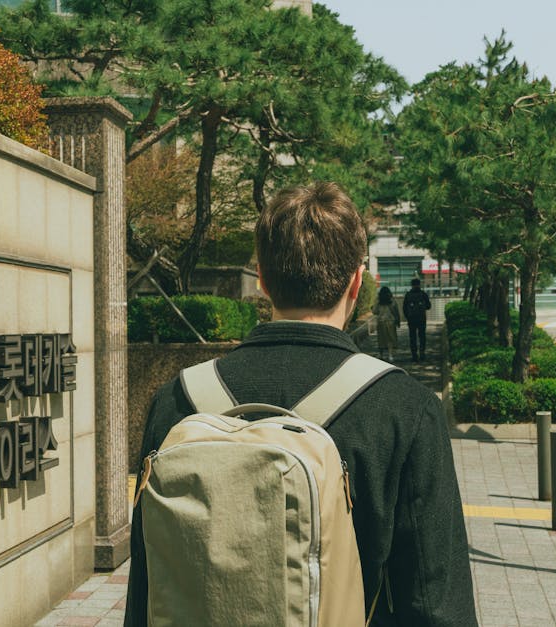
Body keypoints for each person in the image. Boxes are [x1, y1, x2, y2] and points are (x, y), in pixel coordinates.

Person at [124, 182, 476, 626]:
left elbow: (146, 591)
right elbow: (437, 605)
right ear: (356, 282)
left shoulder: (178, 400)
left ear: (264, 281)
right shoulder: (404, 408)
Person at [402, 277, 431, 361]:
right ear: (419, 284)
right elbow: (429, 306)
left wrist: (407, 316)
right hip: (421, 318)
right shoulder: (423, 294)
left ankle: (414, 355)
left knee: (412, 337)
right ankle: (422, 353)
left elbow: (404, 308)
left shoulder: (408, 295)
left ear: (411, 285)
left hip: (411, 319)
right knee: (422, 336)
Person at [373, 286, 400, 361]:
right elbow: (396, 311)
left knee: (381, 338)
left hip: (381, 322)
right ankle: (390, 355)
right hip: (391, 322)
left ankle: (381, 355)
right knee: (390, 339)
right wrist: (398, 321)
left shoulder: (378, 301)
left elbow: (374, 311)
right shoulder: (392, 300)